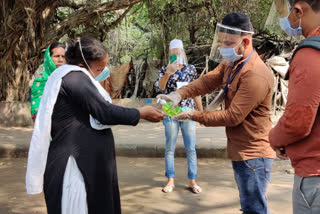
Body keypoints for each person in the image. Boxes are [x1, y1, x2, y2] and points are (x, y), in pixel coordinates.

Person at [26, 37, 165, 214]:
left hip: (88, 160)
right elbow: (105, 112)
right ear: (84, 63)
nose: (102, 72)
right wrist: (141, 113)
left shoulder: (74, 77)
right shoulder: (74, 78)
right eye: (99, 68)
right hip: (75, 165)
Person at [157, 13, 275, 213]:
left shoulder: (255, 74)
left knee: (254, 208)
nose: (222, 48)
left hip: (254, 155)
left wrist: (193, 114)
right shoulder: (233, 63)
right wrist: (178, 94)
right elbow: (208, 81)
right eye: (220, 42)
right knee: (248, 205)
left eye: (227, 43)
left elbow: (232, 116)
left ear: (245, 42)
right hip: (241, 151)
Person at [269, 0, 320, 213]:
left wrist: (275, 138)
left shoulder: (310, 54)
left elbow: (297, 123)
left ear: (299, 10)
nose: (286, 21)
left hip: (314, 176)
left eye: (286, 14)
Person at [154, 39, 203, 194]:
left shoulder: (191, 69)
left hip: (188, 113)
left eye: (178, 52)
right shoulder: (165, 69)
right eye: (173, 53)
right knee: (170, 148)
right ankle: (170, 181)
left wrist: (200, 113)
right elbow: (159, 87)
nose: (176, 55)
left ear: (183, 52)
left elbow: (197, 92)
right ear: (170, 54)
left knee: (191, 148)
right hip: (171, 113)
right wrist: (169, 72)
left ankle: (192, 181)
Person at [30, 42, 66, 121]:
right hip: (44, 119)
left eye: (63, 56)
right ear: (49, 57)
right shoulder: (41, 73)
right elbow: (37, 97)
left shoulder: (70, 73)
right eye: (56, 56)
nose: (60, 60)